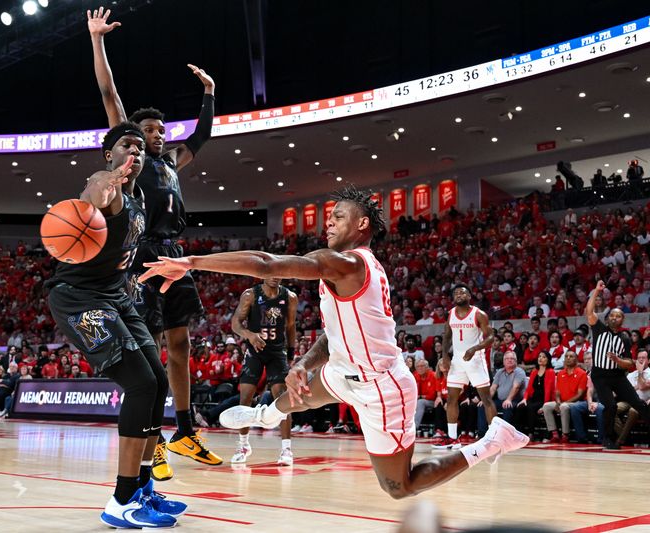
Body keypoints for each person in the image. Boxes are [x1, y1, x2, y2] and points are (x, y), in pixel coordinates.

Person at [139, 186, 529, 500]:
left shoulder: (350, 262)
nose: (328, 224)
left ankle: (492, 442)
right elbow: (330, 336)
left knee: (399, 487)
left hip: (381, 386)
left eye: (337, 217)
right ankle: (264, 417)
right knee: (302, 390)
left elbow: (266, 263)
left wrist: (190, 262)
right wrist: (302, 365)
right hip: (343, 371)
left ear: (361, 223)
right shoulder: (343, 270)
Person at [87, 6, 221, 479]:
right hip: (141, 254)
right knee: (152, 348)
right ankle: (153, 440)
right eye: (146, 133)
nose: (155, 137)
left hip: (174, 254)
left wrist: (208, 95)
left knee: (182, 345)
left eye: (160, 132)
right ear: (130, 139)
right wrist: (98, 41)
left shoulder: (172, 160)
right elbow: (110, 94)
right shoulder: (133, 161)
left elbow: (202, 135)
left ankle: (184, 429)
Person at [45, 121, 184, 528]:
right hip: (78, 299)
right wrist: (98, 193)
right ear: (110, 153)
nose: (136, 152)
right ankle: (120, 501)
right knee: (140, 384)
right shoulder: (105, 185)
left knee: (158, 382)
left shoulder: (139, 197)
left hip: (116, 298)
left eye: (141, 148)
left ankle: (142, 488)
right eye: (127, 145)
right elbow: (91, 198)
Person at [229, 277, 297, 465]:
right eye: (271, 273)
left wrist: (291, 351)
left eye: (279, 273)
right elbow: (236, 322)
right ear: (263, 274)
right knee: (245, 398)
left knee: (281, 397)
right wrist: (249, 335)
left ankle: (286, 449)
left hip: (277, 352)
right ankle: (243, 445)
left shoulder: (290, 297)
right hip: (255, 351)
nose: (275, 277)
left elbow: (291, 326)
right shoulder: (250, 295)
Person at [586, 280, 650, 450]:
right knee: (611, 406)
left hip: (617, 376)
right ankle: (607, 439)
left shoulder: (625, 337)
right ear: (608, 318)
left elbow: (629, 362)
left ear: (623, 320)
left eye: (618, 315)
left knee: (639, 404)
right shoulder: (599, 328)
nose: (614, 317)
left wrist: (618, 360)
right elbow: (589, 311)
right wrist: (596, 291)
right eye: (612, 315)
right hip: (600, 376)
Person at [433, 285, 497, 450]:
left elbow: (490, 337)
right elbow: (446, 335)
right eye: (456, 293)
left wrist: (475, 348)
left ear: (470, 295)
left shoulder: (479, 314)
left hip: (475, 359)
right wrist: (445, 356)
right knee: (452, 399)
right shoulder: (451, 314)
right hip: (457, 361)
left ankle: (493, 438)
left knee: (486, 399)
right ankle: (453, 438)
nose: (459, 295)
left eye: (462, 292)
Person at [540, 351, 586, 443]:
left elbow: (580, 394)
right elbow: (557, 392)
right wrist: (558, 402)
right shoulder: (561, 373)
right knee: (546, 406)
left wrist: (563, 403)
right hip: (562, 401)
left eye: (571, 356)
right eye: (566, 356)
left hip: (575, 402)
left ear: (576, 360)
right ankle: (554, 434)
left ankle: (565, 435)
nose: (568, 358)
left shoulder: (582, 373)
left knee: (563, 407)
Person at [515, 352, 554, 440]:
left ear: (548, 360)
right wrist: (524, 399)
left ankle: (531, 433)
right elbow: (528, 388)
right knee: (520, 407)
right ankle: (518, 433)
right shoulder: (534, 371)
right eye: (539, 356)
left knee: (531, 408)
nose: (540, 358)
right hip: (533, 398)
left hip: (544, 399)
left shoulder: (550, 372)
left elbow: (549, 391)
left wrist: (545, 405)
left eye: (543, 357)